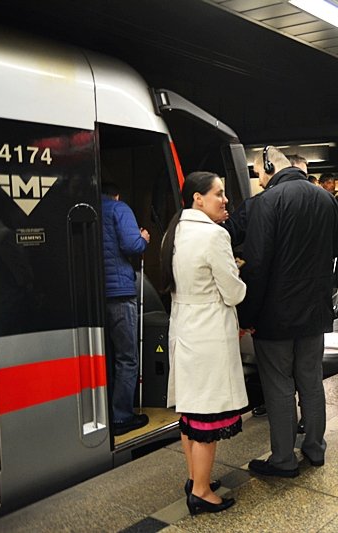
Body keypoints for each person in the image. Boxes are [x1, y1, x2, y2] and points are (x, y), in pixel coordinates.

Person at [239, 146, 338, 477]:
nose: (259, 179)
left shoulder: (266, 202)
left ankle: (283, 459)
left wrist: (248, 316)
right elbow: (335, 254)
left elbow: (257, 265)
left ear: (268, 167)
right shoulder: (326, 200)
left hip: (276, 315)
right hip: (314, 312)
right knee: (311, 379)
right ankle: (315, 449)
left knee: (279, 384)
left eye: (258, 173)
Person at [160, 171, 248, 515]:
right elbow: (233, 291)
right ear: (198, 198)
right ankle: (200, 491)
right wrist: (239, 276)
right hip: (209, 332)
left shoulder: (175, 229)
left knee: (190, 413)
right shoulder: (213, 236)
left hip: (184, 329)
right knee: (207, 419)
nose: (224, 200)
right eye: (219, 193)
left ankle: (194, 477)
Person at [101, 181, 150, 436]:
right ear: (116, 193)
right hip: (120, 293)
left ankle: (105, 413)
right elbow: (132, 246)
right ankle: (121, 416)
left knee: (106, 356)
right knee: (127, 357)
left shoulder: (91, 208)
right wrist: (143, 239)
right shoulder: (119, 209)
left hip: (95, 295)